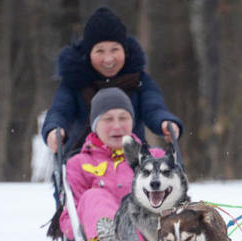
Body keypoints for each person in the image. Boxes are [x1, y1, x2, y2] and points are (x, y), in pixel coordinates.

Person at [42, 6, 181, 154]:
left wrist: (165, 122)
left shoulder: (139, 80)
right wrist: (54, 128)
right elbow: (60, 110)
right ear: (88, 54)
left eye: (115, 49)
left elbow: (154, 107)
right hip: (83, 158)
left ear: (125, 51)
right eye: (100, 51)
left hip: (131, 157)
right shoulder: (74, 82)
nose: (108, 59)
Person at [59, 87, 163, 241]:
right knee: (93, 197)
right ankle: (112, 238)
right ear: (95, 125)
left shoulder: (154, 157)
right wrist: (88, 224)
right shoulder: (79, 164)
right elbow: (68, 219)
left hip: (152, 237)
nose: (117, 126)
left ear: (132, 122)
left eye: (123, 118)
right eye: (108, 119)